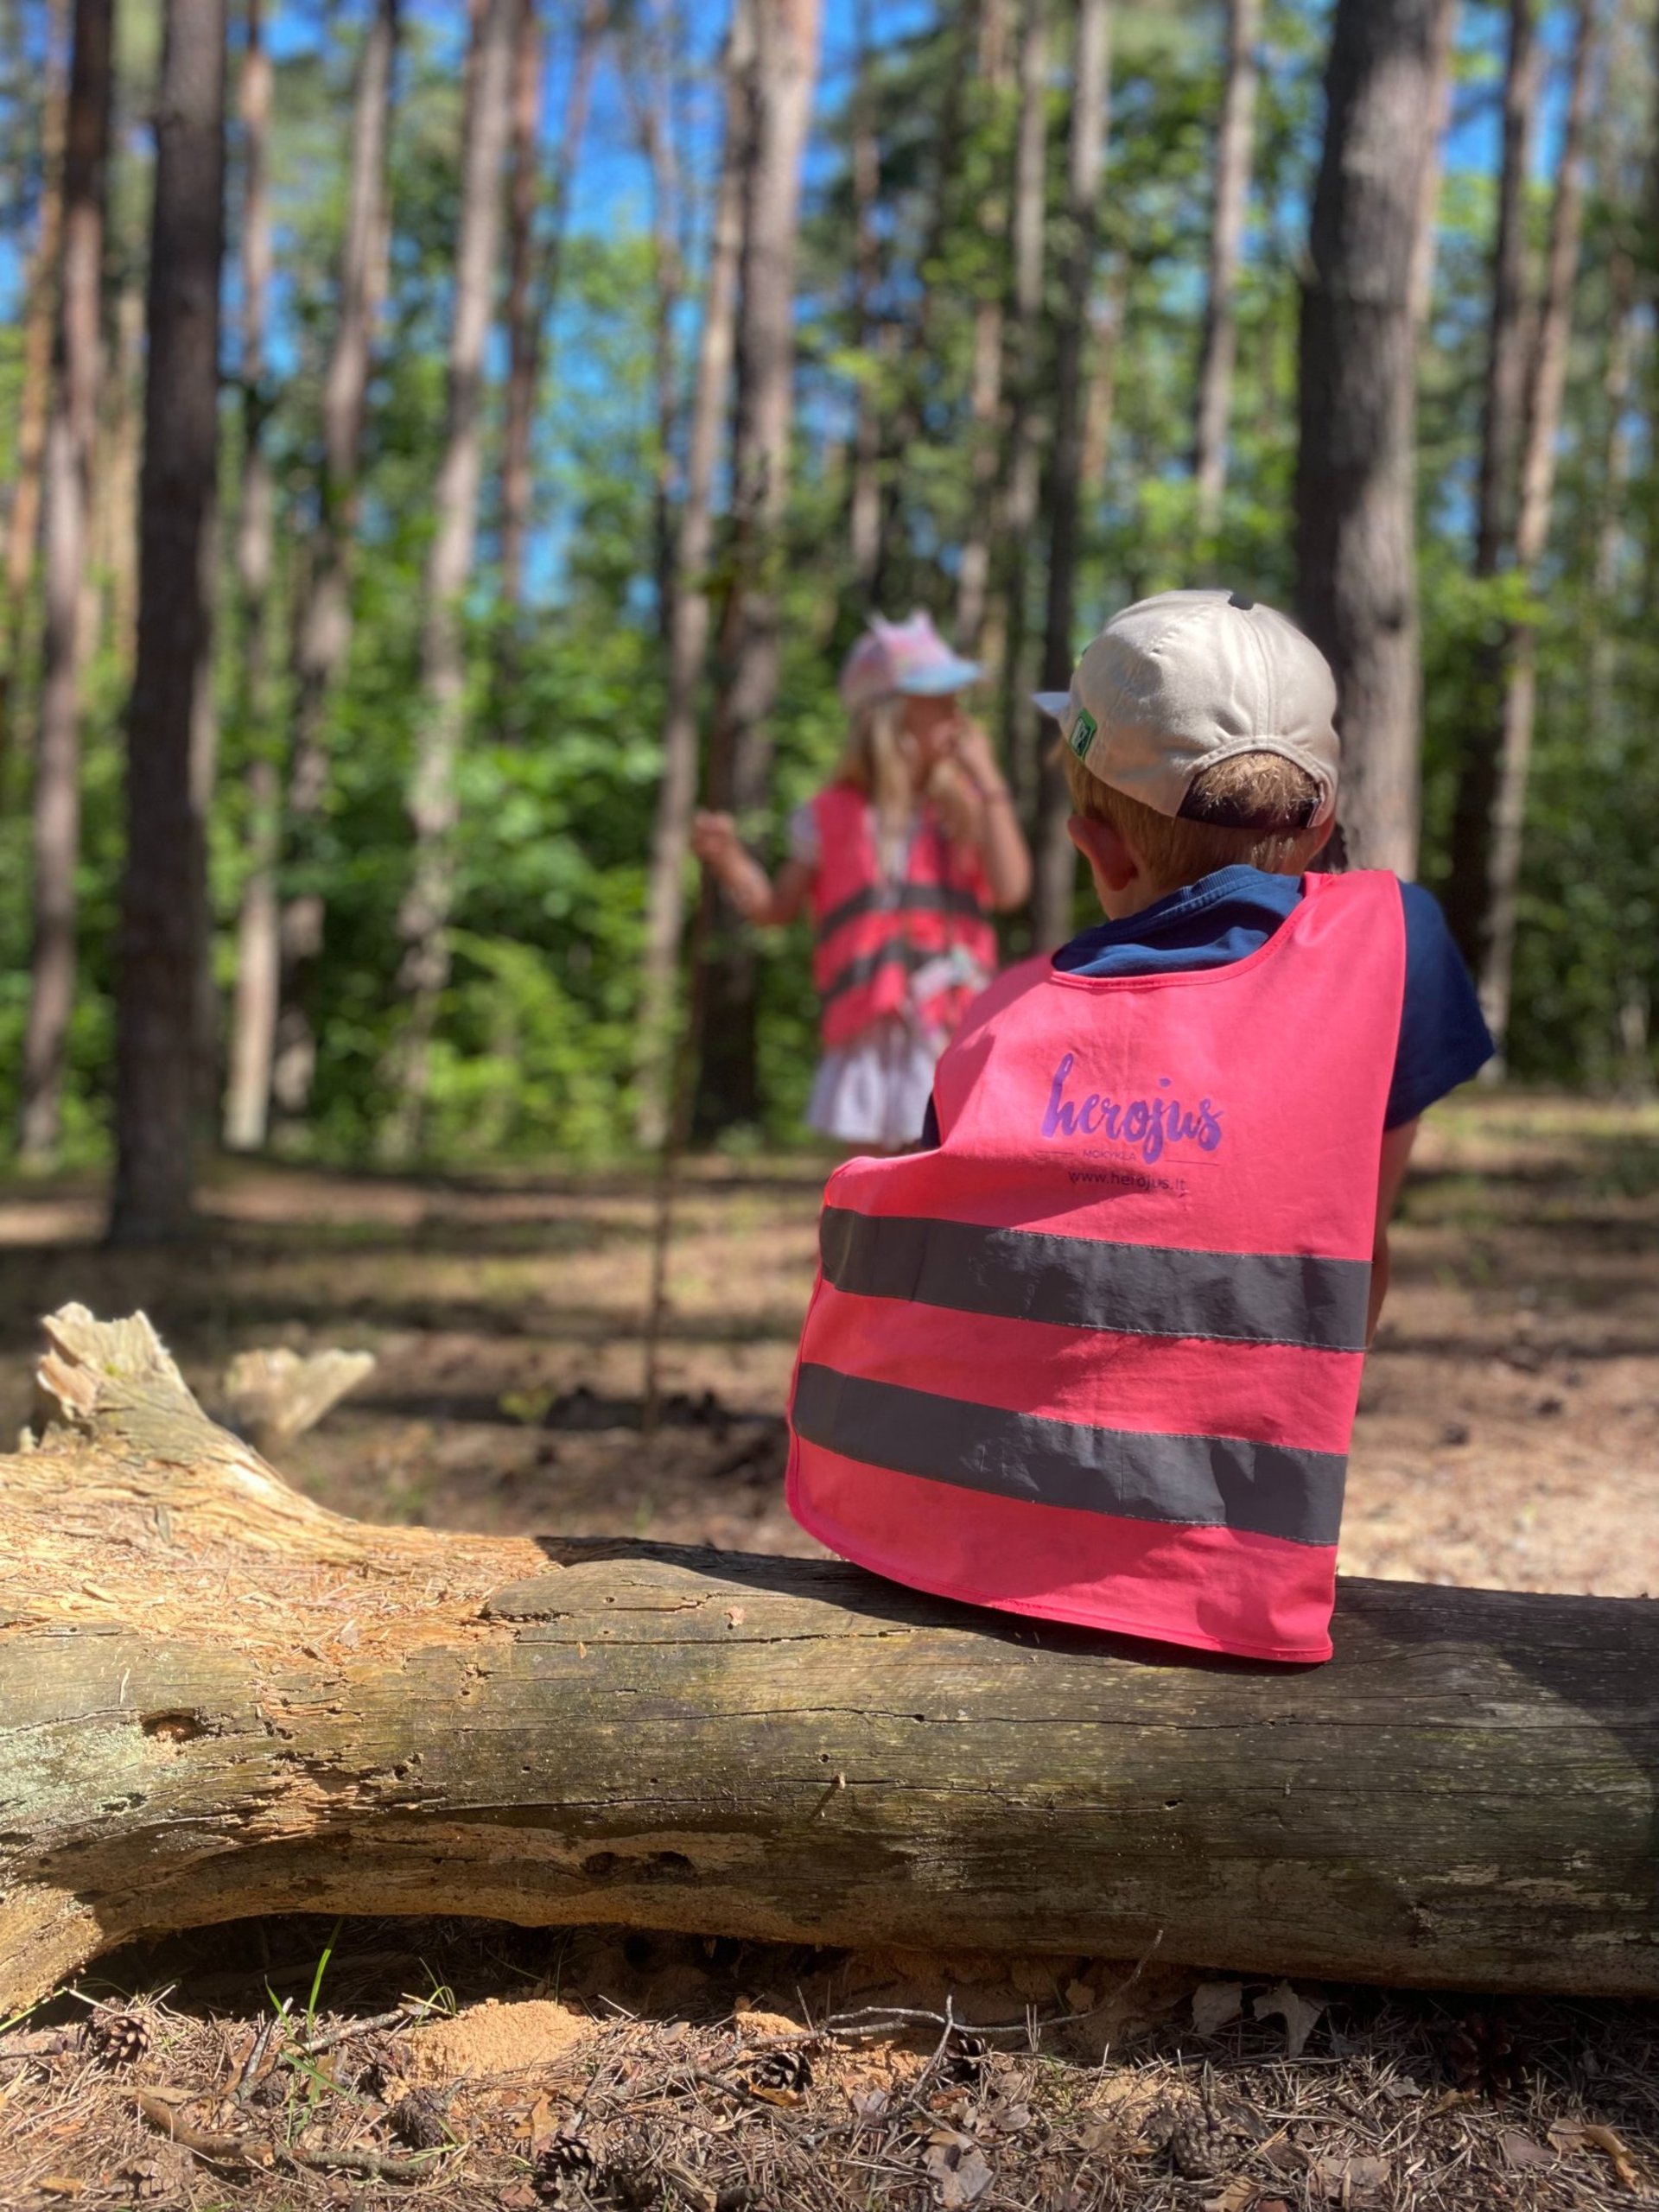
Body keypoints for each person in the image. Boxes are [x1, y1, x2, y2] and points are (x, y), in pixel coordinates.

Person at [786, 588, 1492, 1664]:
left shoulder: (997, 1018)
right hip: (1212, 1583)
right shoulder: (1396, 946)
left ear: (1096, 849)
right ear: (1321, 822)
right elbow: (1356, 1235)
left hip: (913, 1540)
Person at [692, 612, 1032, 1152]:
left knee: (943, 1161)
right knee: (875, 1178)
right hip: (871, 1024)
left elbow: (1011, 888)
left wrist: (989, 782)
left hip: (949, 1019)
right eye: (940, 703)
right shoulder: (828, 816)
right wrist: (730, 860)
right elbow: (776, 909)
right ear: (893, 719)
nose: (957, 716)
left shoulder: (962, 808)